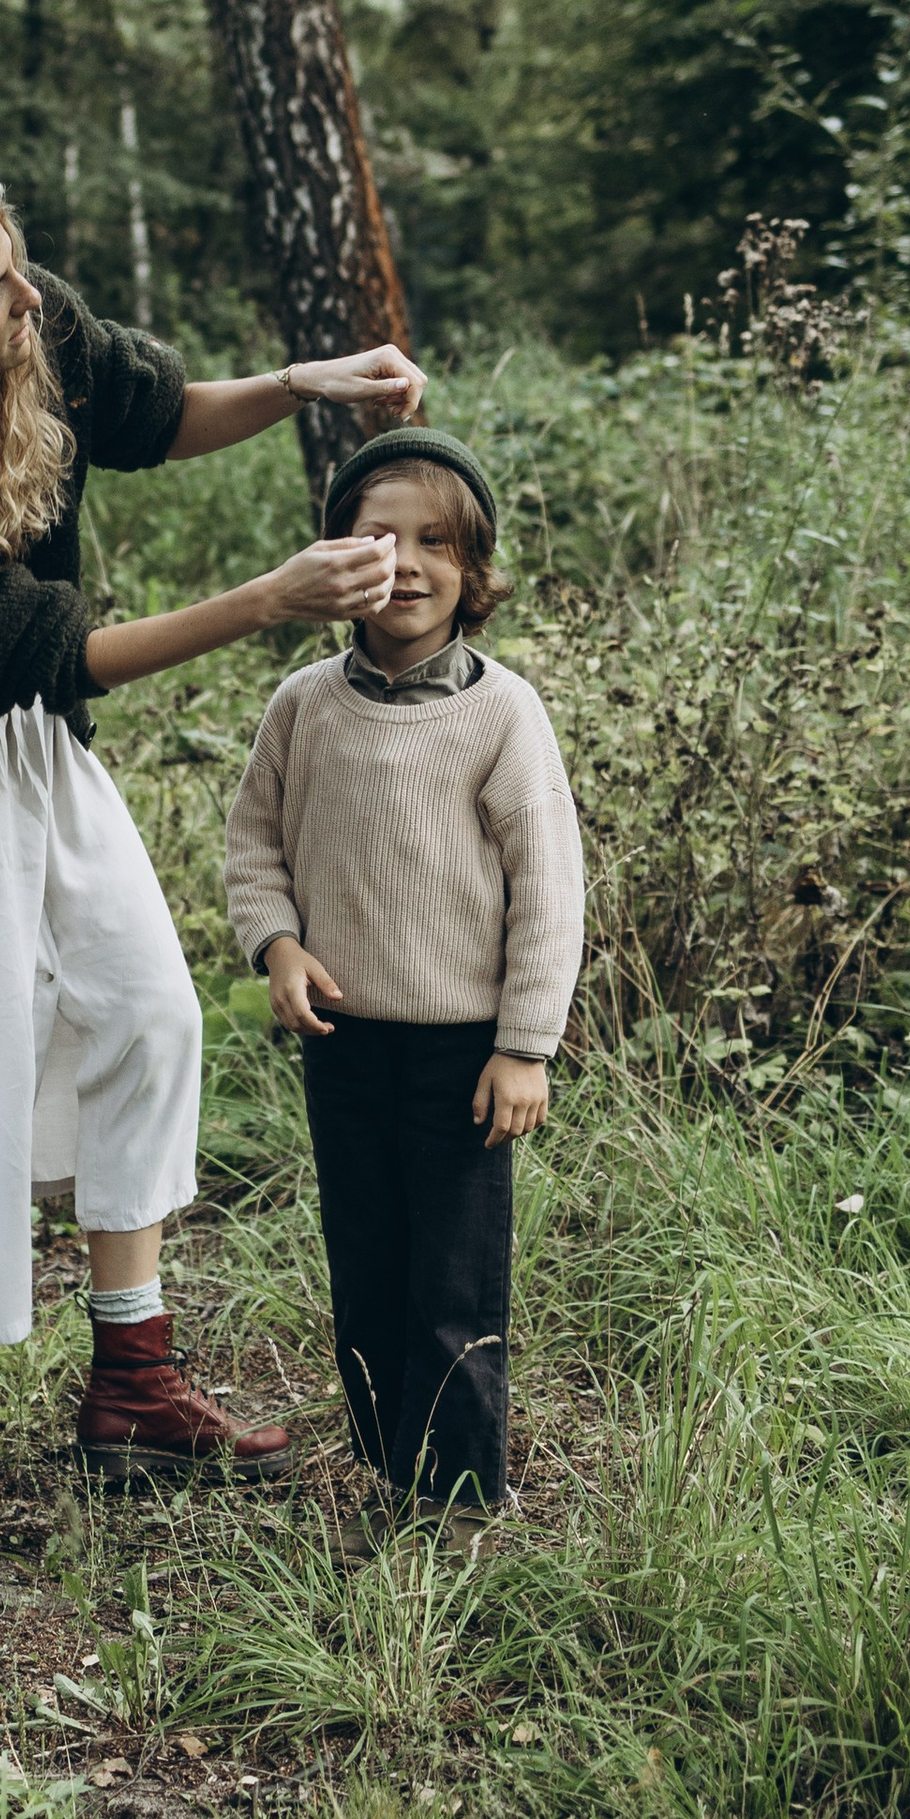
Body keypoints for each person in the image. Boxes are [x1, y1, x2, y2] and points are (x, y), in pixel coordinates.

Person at [0, 158, 424, 1545]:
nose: (26, 301)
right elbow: (66, 659)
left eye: (16, 268)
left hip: (29, 753)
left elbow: (153, 415)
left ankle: (132, 1380)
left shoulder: (30, 339)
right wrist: (268, 600)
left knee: (146, 1019)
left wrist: (310, 384)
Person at [223, 429, 583, 1519]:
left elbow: (547, 888)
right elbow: (255, 847)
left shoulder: (500, 713)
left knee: (453, 1280)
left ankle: (466, 1492)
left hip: (462, 1051)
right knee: (367, 1265)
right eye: (378, 536)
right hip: (344, 1042)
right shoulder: (304, 706)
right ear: (337, 560)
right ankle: (392, 1467)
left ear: (473, 575)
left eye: (436, 542)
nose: (407, 561)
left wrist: (524, 1046)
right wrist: (275, 945)